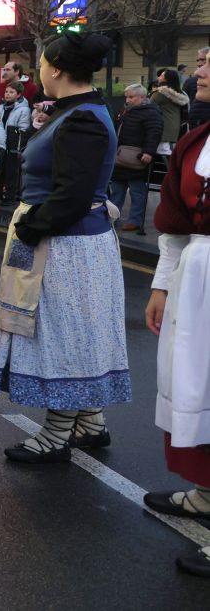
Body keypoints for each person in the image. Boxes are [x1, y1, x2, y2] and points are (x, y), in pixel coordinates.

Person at [0, 32, 128, 465]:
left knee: (64, 334)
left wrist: (32, 227)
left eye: (41, 65)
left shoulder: (82, 118)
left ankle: (56, 434)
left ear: (56, 70)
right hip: (66, 239)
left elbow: (72, 194)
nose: (39, 72)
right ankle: (89, 422)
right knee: (73, 330)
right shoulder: (78, 111)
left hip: (67, 245)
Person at [142, 56, 210, 577]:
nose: (201, 69)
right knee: (195, 386)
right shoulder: (194, 142)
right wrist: (161, 285)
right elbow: (176, 225)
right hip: (197, 280)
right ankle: (207, 495)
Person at [108, 84, 161, 233]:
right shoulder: (126, 111)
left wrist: (148, 152)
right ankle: (112, 217)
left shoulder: (151, 113)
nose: (127, 100)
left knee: (137, 191)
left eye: (131, 97)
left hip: (137, 158)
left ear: (142, 97)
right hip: (121, 157)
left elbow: (154, 133)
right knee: (117, 190)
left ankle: (135, 220)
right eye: (127, 97)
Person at [0, 83, 32, 205]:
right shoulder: (1, 107)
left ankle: (10, 196)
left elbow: (23, 130)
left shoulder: (24, 110)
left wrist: (19, 148)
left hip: (13, 144)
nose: (7, 94)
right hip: (0, 142)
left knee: (11, 172)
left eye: (11, 92)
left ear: (19, 94)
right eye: (6, 92)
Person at [151, 68, 189, 156]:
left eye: (161, 76)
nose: (158, 77)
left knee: (161, 155)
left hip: (163, 128)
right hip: (174, 127)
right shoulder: (180, 93)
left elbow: (149, 106)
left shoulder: (160, 93)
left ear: (167, 79)